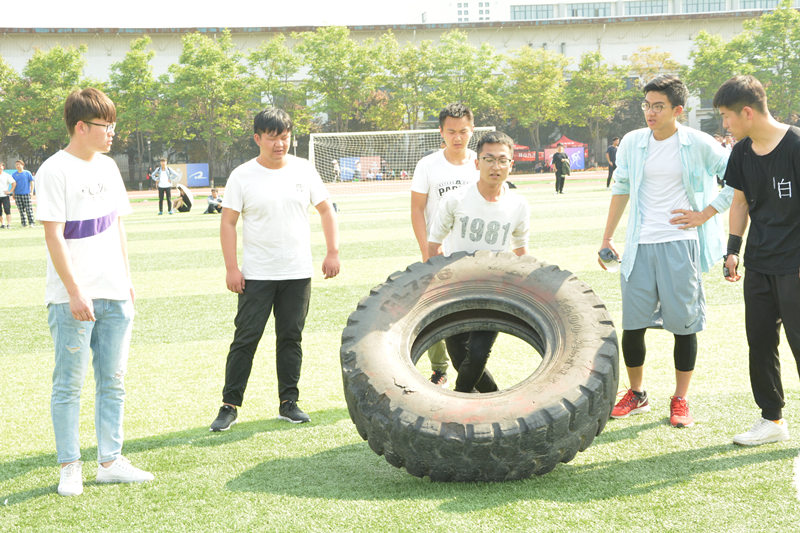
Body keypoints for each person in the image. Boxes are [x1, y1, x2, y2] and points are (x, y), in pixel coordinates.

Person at [35, 88, 153, 497]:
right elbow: (54, 236)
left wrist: (127, 278)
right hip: (72, 298)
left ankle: (110, 462)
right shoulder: (53, 170)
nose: (113, 132)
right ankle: (70, 466)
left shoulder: (108, 166)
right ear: (81, 126)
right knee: (69, 385)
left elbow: (117, 224)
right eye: (106, 125)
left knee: (113, 381)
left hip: (115, 291)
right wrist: (74, 291)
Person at [599, 74, 733, 428]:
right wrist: (607, 237)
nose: (650, 112)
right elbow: (622, 187)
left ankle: (680, 399)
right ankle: (637, 393)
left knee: (684, 326)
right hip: (639, 244)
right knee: (633, 325)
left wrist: (706, 213)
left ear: (678, 110)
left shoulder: (698, 143)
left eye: (658, 106)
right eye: (647, 105)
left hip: (681, 244)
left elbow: (737, 176)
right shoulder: (632, 142)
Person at [209, 107, 340, 432]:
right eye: (272, 137)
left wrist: (332, 251)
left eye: (284, 137)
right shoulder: (242, 175)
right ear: (258, 138)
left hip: (297, 272)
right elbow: (228, 222)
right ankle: (229, 406)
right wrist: (231, 268)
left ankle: (288, 403)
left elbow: (326, 210)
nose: (280, 144)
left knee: (291, 338)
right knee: (245, 339)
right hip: (256, 274)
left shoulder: (304, 170)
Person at [715, 75, 800, 446]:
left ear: (747, 112)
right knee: (761, 343)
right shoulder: (741, 152)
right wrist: (733, 249)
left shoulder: (796, 145)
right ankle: (772, 419)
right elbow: (739, 203)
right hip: (760, 263)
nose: (725, 124)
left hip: (795, 265)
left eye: (727, 116)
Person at [427, 131, 530, 393]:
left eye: (502, 160)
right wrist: (438, 283)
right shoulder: (455, 199)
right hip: (456, 287)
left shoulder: (518, 204)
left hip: (493, 288)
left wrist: (525, 286)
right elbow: (434, 245)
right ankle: (494, 399)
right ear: (477, 163)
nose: (496, 166)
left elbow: (521, 251)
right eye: (489, 159)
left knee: (479, 353)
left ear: (511, 165)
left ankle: (457, 403)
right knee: (459, 357)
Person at [410, 103, 479, 387]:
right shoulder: (428, 165)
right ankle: (439, 370)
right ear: (441, 132)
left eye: (463, 131)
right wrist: (426, 250)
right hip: (438, 252)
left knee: (473, 315)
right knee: (435, 313)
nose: (457, 137)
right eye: (451, 131)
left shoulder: (481, 162)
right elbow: (417, 209)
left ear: (472, 130)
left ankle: (472, 373)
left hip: (474, 254)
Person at [12, 160, 36, 226]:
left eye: (19, 164)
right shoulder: (14, 174)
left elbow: (32, 182)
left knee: (29, 209)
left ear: (22, 165)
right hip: (17, 194)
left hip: (26, 194)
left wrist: (31, 192)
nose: (17, 166)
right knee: (21, 210)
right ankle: (24, 223)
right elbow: (13, 184)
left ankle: (31, 222)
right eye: (16, 165)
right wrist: (13, 193)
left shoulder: (27, 173)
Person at [0, 162, 15, 228]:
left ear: (3, 167)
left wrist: (10, 191)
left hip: (5, 196)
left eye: (0, 166)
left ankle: (8, 224)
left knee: (7, 210)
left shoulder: (6, 175)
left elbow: (14, 183)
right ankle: (2, 224)